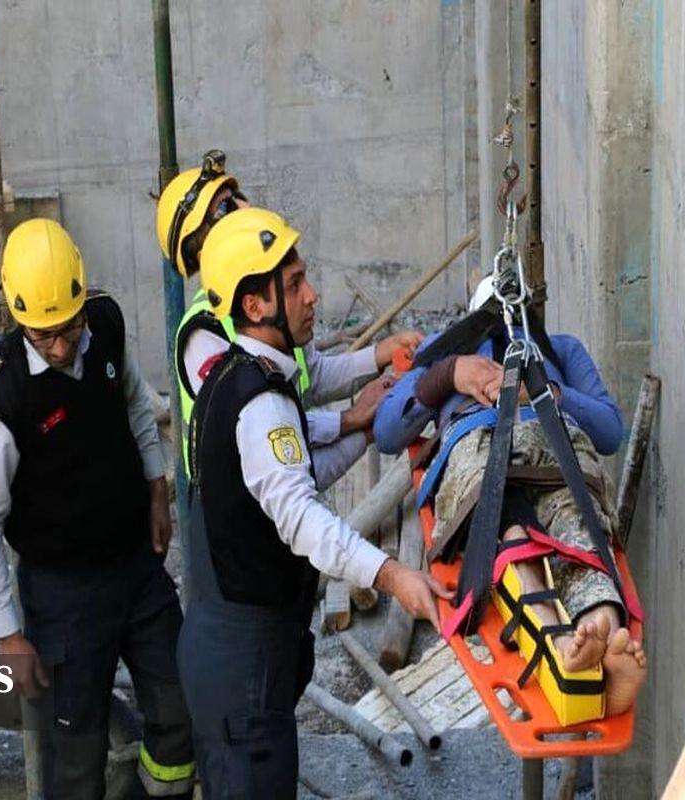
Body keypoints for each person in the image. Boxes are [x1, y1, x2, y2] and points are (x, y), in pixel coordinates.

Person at [177, 207, 448, 796]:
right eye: (295, 284)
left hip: (239, 647)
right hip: (241, 663)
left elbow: (296, 476)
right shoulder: (258, 402)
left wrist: (365, 427)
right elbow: (300, 518)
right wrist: (392, 572)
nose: (311, 295)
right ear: (255, 305)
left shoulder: (245, 373)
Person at [0, 219, 194, 798]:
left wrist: (156, 486)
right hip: (63, 596)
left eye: (69, 328)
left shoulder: (107, 326)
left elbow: (139, 404)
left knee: (180, 708)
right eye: (44, 337)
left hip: (136, 569)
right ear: (18, 319)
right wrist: (7, 636)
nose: (62, 347)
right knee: (75, 751)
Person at [374, 276, 648, 716]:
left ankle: (583, 640)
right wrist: (451, 374)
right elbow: (388, 429)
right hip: (502, 439)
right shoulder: (454, 355)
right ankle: (597, 624)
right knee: (559, 526)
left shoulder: (558, 349)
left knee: (528, 528)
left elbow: (610, 430)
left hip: (531, 439)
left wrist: (543, 391)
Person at [154, 151, 420, 487]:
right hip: (232, 508)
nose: (242, 207)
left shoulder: (266, 301)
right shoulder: (204, 331)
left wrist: (380, 354)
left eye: (236, 195)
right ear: (199, 244)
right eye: (224, 207)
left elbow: (314, 374)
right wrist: (349, 421)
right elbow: (272, 426)